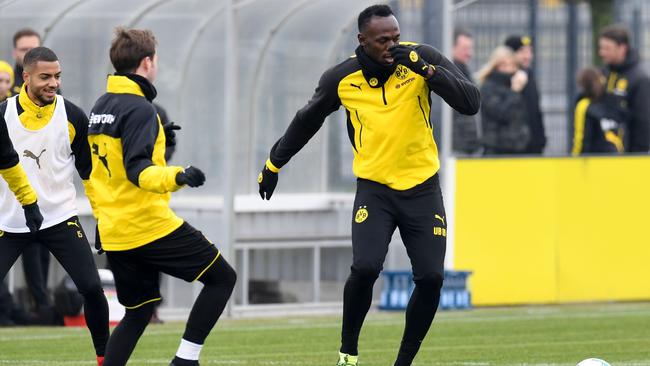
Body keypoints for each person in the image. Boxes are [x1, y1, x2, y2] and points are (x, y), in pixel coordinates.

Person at [257, 5, 479, 366]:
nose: (392, 46)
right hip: (375, 190)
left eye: (395, 37)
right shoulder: (342, 78)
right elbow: (306, 120)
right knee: (364, 268)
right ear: (363, 41)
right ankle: (348, 351)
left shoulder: (421, 59)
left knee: (431, 277)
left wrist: (426, 70)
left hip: (422, 188)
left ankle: (403, 362)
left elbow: (471, 102)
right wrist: (274, 163)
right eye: (382, 40)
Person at [88, 27, 236, 366]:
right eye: (155, 61)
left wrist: (155, 138)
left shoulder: (101, 105)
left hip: (115, 230)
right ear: (146, 62)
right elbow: (138, 172)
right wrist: (179, 175)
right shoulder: (140, 109)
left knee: (138, 312)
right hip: (147, 225)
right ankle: (185, 360)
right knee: (222, 278)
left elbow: (100, 171)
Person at [0, 47, 109, 365]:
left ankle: (105, 357)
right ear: (26, 77)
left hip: (60, 218)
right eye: (45, 77)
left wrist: (103, 219)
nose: (53, 83)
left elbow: (91, 175)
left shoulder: (73, 116)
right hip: (10, 221)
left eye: (57, 76)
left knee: (91, 286)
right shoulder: (3, 114)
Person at [9, 28, 53, 317]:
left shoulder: (51, 90)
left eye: (33, 48)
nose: (29, 52)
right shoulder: (9, 94)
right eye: (24, 48)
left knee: (45, 241)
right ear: (15, 53)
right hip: (12, 185)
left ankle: (42, 303)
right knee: (22, 241)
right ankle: (35, 304)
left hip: (44, 181)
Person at [0, 58, 43, 326]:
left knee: (34, 257)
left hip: (16, 201)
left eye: (6, 81)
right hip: (10, 201)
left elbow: (10, 161)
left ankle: (38, 308)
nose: (3, 85)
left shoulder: (16, 112)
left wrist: (29, 200)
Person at [598, 24, 650, 153]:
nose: (601, 53)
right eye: (601, 48)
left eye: (607, 48)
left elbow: (643, 123)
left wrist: (636, 156)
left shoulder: (639, 79)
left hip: (627, 157)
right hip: (601, 154)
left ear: (622, 48)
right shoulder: (604, 73)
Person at [477, 46, 530, 155]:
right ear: (496, 66)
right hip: (496, 148)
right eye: (505, 65)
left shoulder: (515, 85)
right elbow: (501, 113)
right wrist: (514, 92)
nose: (510, 69)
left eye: (513, 65)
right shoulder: (489, 87)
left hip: (517, 147)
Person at [504, 35, 546, 154]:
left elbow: (536, 111)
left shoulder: (529, 75)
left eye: (530, 52)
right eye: (522, 52)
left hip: (533, 146)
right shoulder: (503, 78)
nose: (527, 56)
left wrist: (541, 139)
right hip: (513, 148)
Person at [572, 67, 627, 155]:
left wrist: (575, 159)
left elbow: (580, 138)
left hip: (593, 160)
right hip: (617, 157)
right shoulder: (611, 104)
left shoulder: (583, 105)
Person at [451, 28, 479, 155]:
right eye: (465, 48)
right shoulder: (448, 72)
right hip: (455, 147)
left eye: (470, 48)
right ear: (451, 47)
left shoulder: (463, 71)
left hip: (466, 145)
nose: (470, 53)